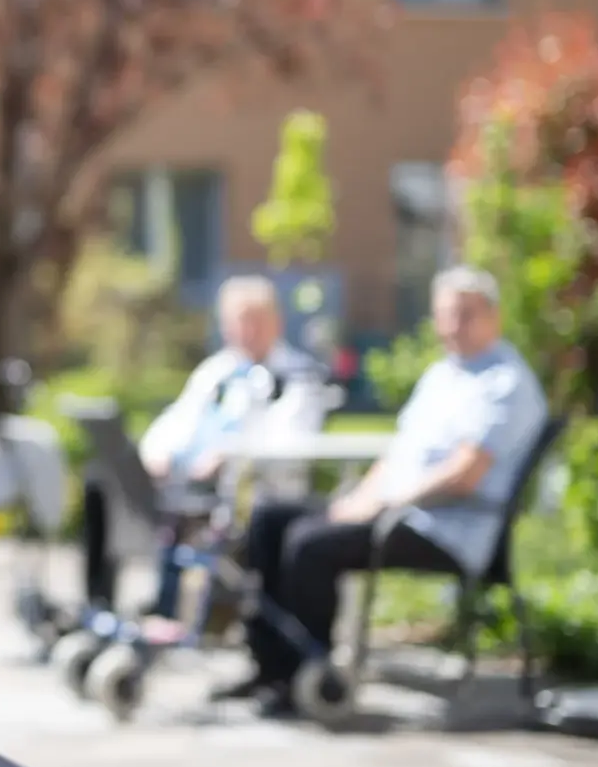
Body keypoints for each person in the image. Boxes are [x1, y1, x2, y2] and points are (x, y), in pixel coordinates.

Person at [223, 265, 545, 713]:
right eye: (445, 315)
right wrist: (360, 499)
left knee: (310, 544)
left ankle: (310, 677)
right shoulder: (443, 375)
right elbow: (399, 455)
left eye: (465, 314)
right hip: (399, 509)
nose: (452, 326)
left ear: (493, 316)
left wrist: (385, 502)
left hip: (446, 526)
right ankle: (269, 666)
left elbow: (465, 473)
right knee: (269, 518)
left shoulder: (504, 384)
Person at [81, 276, 324, 613]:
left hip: (240, 490)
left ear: (275, 322)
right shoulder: (218, 371)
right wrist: (158, 452)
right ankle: (100, 605)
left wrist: (228, 454)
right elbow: (177, 420)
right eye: (237, 323)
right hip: (182, 483)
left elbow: (288, 443)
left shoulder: (296, 376)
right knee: (102, 480)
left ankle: (171, 607)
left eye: (254, 321)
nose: (245, 331)